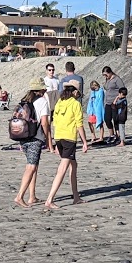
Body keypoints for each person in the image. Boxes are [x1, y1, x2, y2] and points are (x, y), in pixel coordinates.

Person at [43, 84, 87, 209]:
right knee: (62, 169)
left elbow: (55, 122)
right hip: (69, 138)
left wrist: (56, 143)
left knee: (73, 164)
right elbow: (79, 124)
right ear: (73, 93)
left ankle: (76, 196)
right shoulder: (75, 104)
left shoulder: (59, 103)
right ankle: (49, 199)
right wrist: (84, 142)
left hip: (59, 137)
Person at [12, 79, 51, 207]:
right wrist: (48, 139)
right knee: (31, 167)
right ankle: (19, 196)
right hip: (35, 137)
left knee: (34, 164)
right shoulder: (42, 102)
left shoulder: (24, 101)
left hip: (23, 137)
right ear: (41, 90)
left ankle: (32, 196)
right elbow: (45, 123)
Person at [100, 67, 123, 145]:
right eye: (104, 75)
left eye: (106, 75)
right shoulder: (107, 80)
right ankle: (111, 134)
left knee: (115, 120)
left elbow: (123, 90)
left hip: (115, 103)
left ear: (110, 72)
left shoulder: (117, 79)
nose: (105, 77)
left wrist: (117, 99)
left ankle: (118, 136)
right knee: (107, 119)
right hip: (108, 103)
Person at [84, 80, 105, 147]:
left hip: (98, 109)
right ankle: (93, 135)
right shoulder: (93, 92)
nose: (96, 87)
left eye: (96, 85)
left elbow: (100, 100)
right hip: (93, 110)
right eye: (94, 86)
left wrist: (97, 109)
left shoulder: (101, 91)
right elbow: (91, 100)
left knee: (100, 123)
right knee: (90, 122)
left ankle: (101, 137)